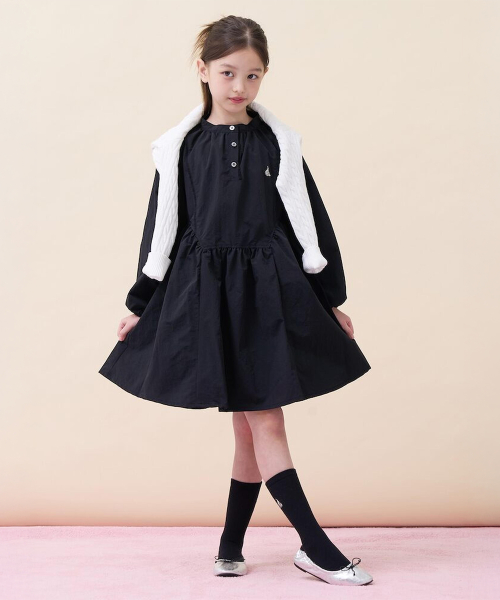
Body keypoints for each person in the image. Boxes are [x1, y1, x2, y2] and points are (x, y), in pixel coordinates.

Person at [99, 15, 373, 586]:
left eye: (253, 75)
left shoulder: (278, 144)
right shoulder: (180, 148)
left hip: (268, 295)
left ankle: (256, 546)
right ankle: (305, 548)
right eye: (228, 73)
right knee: (254, 422)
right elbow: (162, 230)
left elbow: (309, 224)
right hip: (207, 297)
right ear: (203, 70)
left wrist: (329, 300)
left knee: (259, 420)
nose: (239, 87)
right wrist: (140, 303)